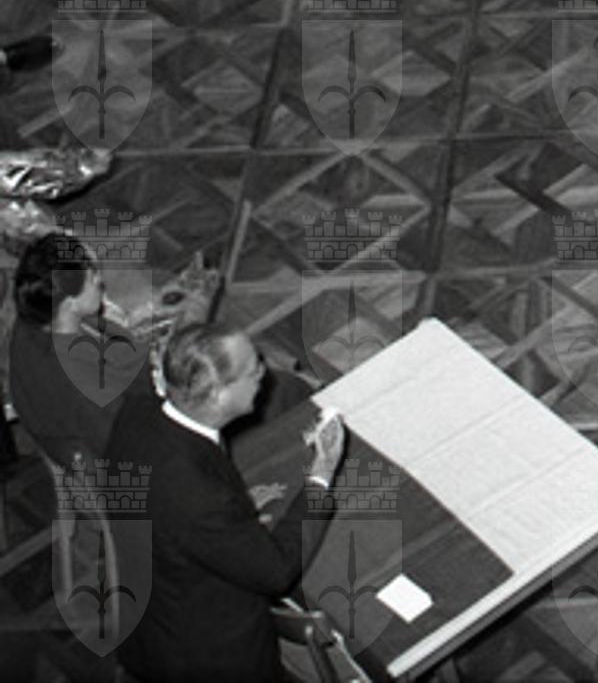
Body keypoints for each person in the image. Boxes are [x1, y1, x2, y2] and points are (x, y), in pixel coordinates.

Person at [108, 324, 346, 683]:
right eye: (253, 370)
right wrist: (321, 475)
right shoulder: (194, 493)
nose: (264, 373)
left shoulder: (137, 415)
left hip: (148, 607)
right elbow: (276, 571)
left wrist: (234, 509)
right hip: (209, 656)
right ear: (218, 395)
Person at [7, 231, 161, 467]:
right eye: (92, 277)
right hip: (121, 454)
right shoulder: (84, 383)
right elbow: (130, 443)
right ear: (70, 302)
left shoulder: (37, 314)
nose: (100, 280)